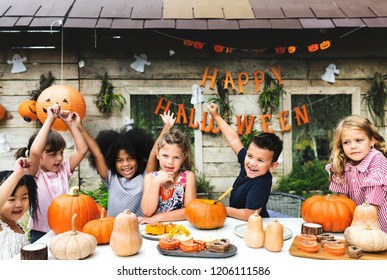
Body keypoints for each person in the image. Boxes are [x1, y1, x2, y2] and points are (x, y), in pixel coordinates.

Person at [76, 111, 176, 217]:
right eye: (119, 160)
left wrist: (167, 127)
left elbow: (153, 153)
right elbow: (97, 154)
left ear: (138, 158)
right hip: (113, 229)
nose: (126, 164)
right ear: (112, 162)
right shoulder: (111, 178)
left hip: (139, 230)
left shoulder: (146, 177)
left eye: (130, 158)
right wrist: (79, 127)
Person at [15, 103, 88, 243]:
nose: (60, 158)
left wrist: (70, 123)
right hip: (40, 233)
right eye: (53, 154)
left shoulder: (63, 171)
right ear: (40, 156)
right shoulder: (35, 174)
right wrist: (50, 119)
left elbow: (82, 150)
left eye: (61, 152)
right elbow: (35, 151)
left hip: (65, 230)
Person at [207, 103, 283, 221]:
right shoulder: (247, 163)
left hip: (253, 225)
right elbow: (233, 139)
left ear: (273, 165)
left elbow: (249, 215)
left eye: (260, 160)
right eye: (250, 156)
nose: (252, 163)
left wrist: (221, 209)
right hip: (235, 222)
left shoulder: (262, 183)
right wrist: (216, 115)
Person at [325, 115, 387, 232]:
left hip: (379, 223)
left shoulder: (377, 160)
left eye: (359, 140)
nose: (353, 146)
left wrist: (366, 227)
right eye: (346, 142)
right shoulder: (344, 163)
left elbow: (372, 204)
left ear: (372, 141)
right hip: (359, 224)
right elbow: (344, 202)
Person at [139, 127, 197, 224]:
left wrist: (158, 218)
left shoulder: (188, 177)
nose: (170, 162)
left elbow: (190, 211)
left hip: (182, 230)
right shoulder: (150, 178)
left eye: (176, 157)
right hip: (156, 230)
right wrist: (156, 182)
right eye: (165, 156)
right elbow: (147, 211)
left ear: (184, 158)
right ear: (157, 155)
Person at [0, 157, 39, 260]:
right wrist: (17, 173)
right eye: (11, 199)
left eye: (24, 198)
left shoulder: (19, 225)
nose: (19, 204)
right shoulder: (1, 227)